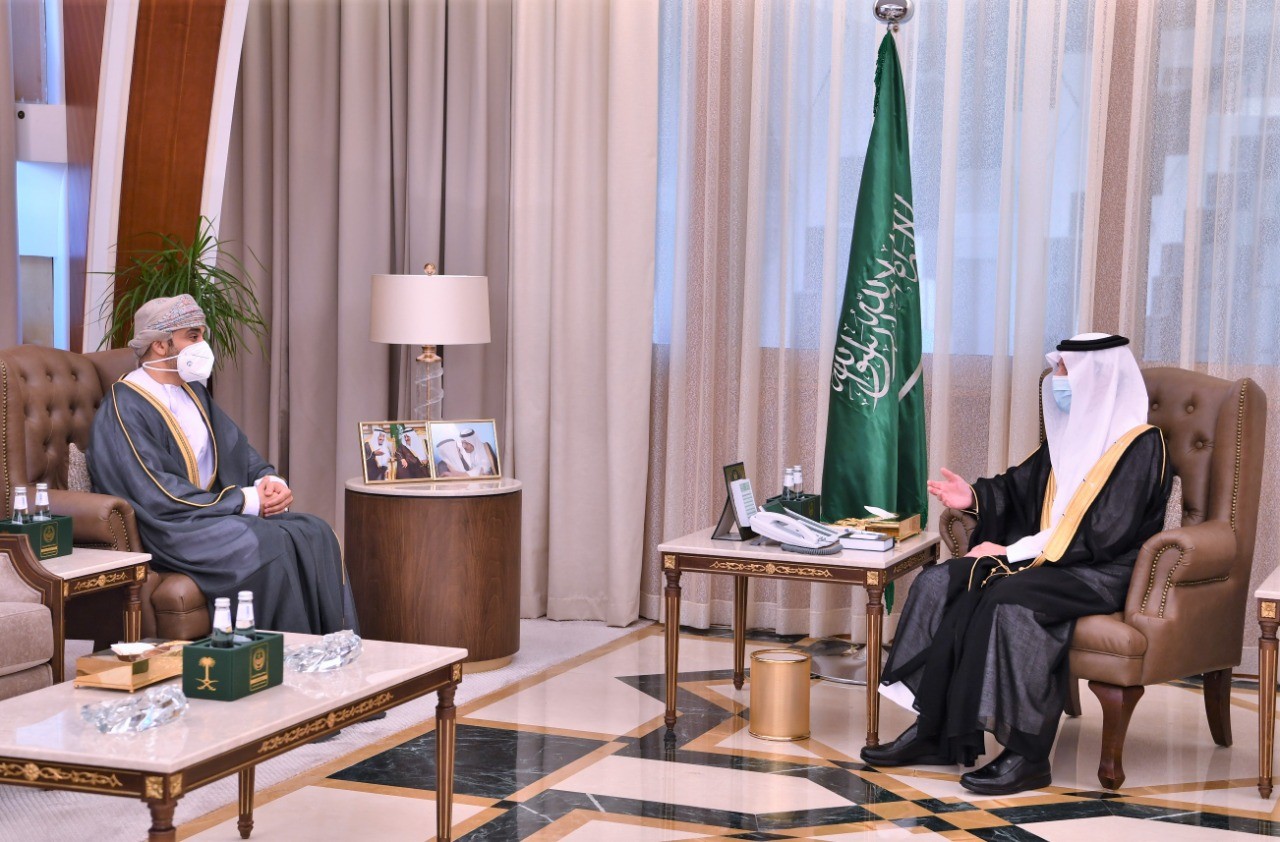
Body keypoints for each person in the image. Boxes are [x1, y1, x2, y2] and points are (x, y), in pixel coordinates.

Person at [861, 333, 1170, 795]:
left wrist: (1011, 552)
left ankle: (1028, 755)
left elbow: (1105, 533)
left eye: (1065, 370)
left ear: (1099, 378)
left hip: (1101, 572)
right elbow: (1018, 487)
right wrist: (975, 498)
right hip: (1046, 559)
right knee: (939, 581)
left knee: (1009, 602)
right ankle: (935, 732)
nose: (1057, 379)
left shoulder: (1142, 446)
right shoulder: (1069, 437)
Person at [88, 294, 357, 635]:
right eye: (193, 336)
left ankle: (331, 649)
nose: (203, 344)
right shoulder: (124, 406)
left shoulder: (193, 392)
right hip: (168, 527)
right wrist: (244, 501)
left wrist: (268, 481)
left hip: (207, 515)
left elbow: (236, 449)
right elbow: (156, 492)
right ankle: (280, 656)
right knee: (267, 543)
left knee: (315, 531)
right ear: (159, 344)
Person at [434, 424, 499, 478]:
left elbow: (483, 467)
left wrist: (462, 475)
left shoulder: (484, 449)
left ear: (474, 442)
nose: (463, 446)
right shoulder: (442, 466)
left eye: (466, 443)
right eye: (462, 443)